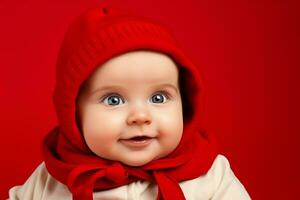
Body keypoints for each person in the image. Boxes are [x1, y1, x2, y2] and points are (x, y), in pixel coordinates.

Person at [8, 6, 251, 200]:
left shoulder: (210, 173)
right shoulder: (54, 177)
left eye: (159, 97)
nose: (140, 116)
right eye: (113, 100)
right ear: (73, 114)